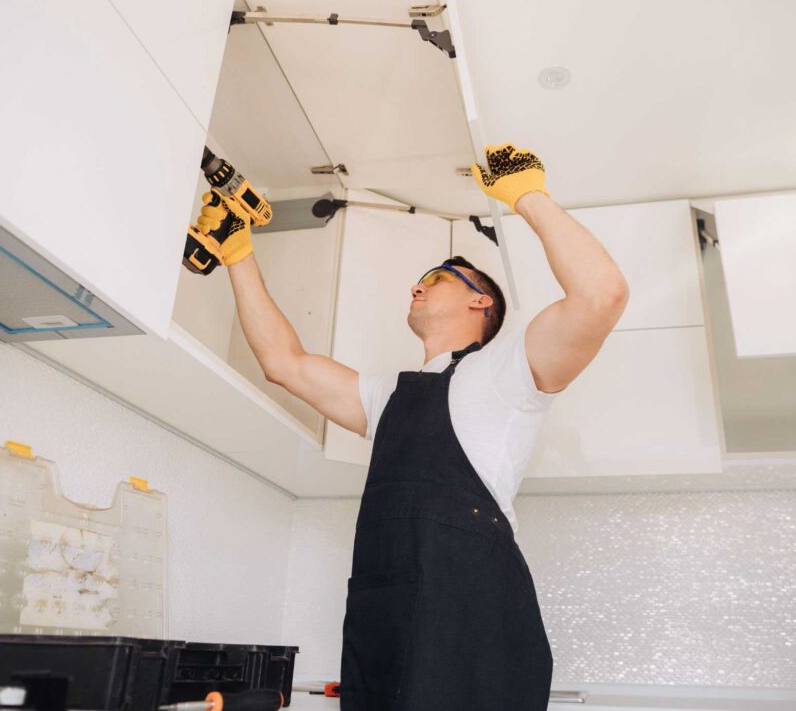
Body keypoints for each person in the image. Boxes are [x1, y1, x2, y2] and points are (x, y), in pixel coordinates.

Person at [193, 143, 629, 710]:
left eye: (437, 277)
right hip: (388, 621)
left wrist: (527, 195)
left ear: (480, 302)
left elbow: (601, 295)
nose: (417, 286)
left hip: (469, 621)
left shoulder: (511, 369)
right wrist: (238, 254)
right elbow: (285, 364)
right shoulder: (387, 397)